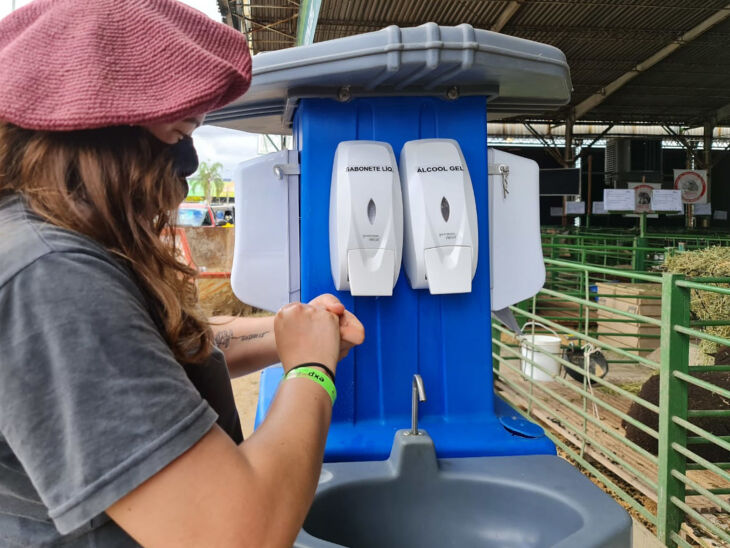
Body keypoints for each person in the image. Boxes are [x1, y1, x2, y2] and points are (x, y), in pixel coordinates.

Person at [0, 1, 364, 547]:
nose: (189, 165)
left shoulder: (49, 242)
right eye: (180, 131)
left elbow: (157, 358)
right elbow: (241, 533)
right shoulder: (53, 277)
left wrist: (297, 331)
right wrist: (311, 370)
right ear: (99, 130)